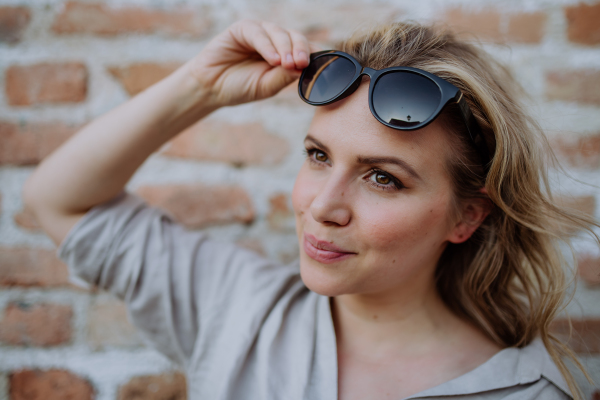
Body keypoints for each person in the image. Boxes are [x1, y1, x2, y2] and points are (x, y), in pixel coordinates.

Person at [23, 19, 596, 400]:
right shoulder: (237, 308)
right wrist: (199, 87)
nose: (322, 206)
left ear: (467, 217)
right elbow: (58, 201)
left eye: (382, 179)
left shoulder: (526, 392)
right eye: (318, 156)